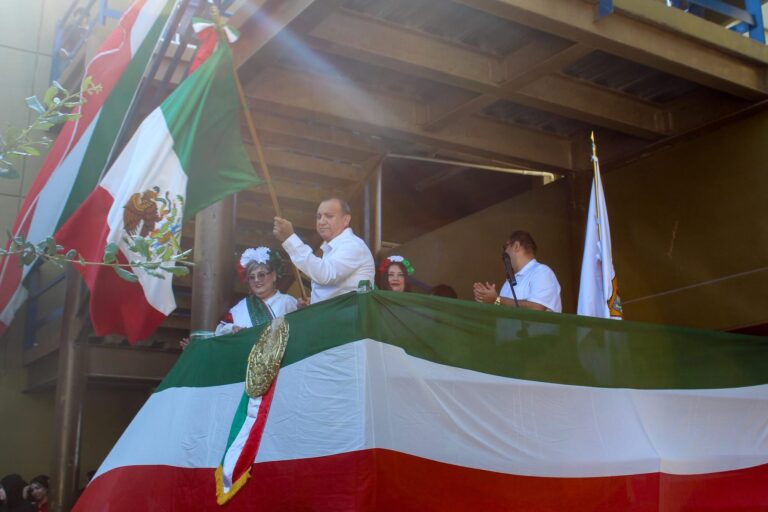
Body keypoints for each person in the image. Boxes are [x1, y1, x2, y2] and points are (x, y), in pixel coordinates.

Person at [180, 247, 298, 349]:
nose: (256, 280)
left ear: (274, 276)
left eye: (261, 275)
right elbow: (219, 336)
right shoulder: (239, 308)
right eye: (251, 277)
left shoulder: (288, 303)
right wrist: (232, 329)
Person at [273, 197, 374, 303]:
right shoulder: (336, 245)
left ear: (346, 220)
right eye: (319, 217)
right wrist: (313, 303)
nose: (321, 222)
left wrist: (290, 239)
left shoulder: (352, 245)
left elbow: (326, 275)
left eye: (329, 216)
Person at [473, 230, 561, 312]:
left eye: (505, 247)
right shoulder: (508, 282)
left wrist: (497, 299)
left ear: (516, 246)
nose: (504, 253)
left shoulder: (542, 272)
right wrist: (490, 301)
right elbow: (502, 307)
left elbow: (537, 308)